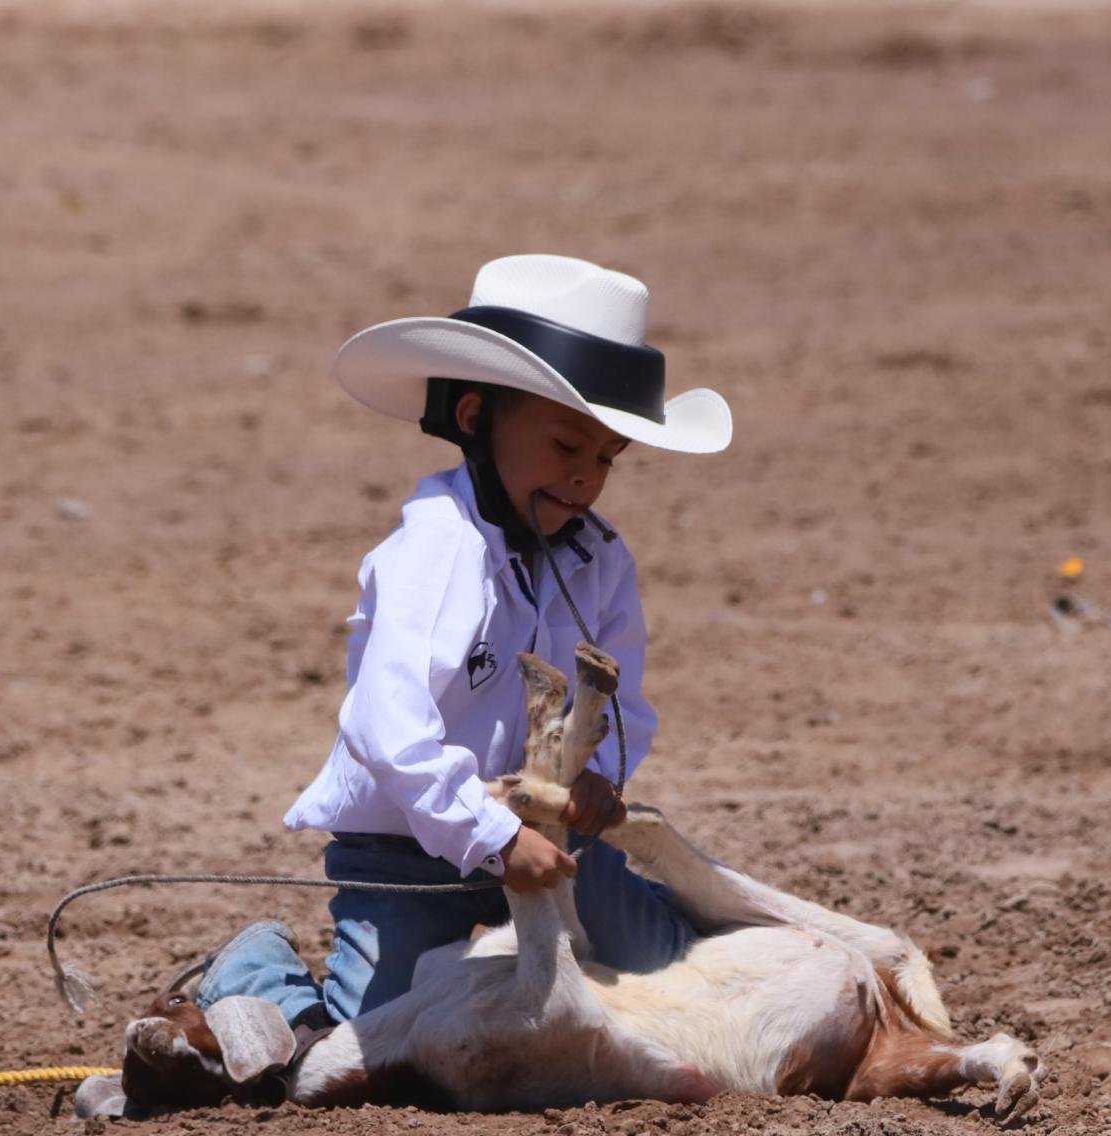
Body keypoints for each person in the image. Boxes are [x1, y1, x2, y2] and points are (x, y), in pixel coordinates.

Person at [192, 254, 734, 1033]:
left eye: (607, 458)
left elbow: (625, 708)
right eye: (566, 447)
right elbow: (388, 723)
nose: (585, 479)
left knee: (665, 969)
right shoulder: (436, 549)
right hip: (413, 843)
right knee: (371, 1034)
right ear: (477, 418)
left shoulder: (601, 558)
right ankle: (252, 969)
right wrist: (488, 834)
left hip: (548, 830)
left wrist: (597, 779)